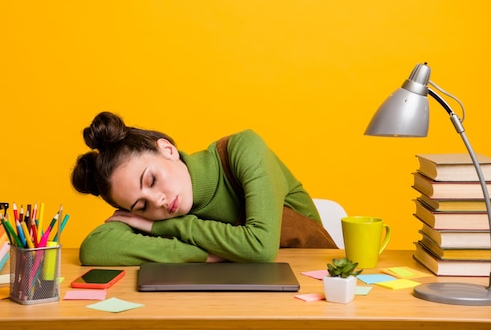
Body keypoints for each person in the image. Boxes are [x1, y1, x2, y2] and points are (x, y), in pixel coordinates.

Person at [71, 111, 337, 266]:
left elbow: (259, 247)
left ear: (167, 149)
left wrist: (163, 227)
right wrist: (207, 255)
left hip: (311, 280)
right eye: (141, 207)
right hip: (238, 295)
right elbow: (95, 248)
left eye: (151, 180)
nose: (158, 202)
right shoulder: (156, 205)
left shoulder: (244, 149)